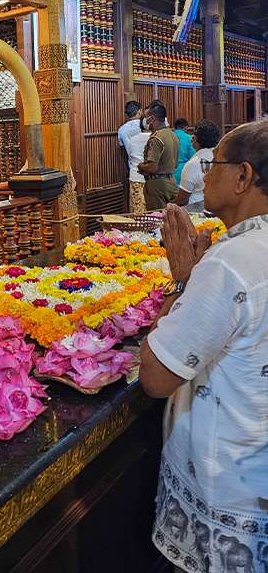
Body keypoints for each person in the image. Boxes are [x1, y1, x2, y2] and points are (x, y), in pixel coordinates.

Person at [139, 119, 268, 573]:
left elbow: (157, 376)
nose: (204, 173)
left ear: (243, 176)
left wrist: (182, 280)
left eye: (214, 164)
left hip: (230, 483)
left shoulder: (232, 261)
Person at [138, 103, 180, 210]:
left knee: (158, 220)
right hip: (171, 182)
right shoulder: (173, 135)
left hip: (157, 186)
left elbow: (152, 168)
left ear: (152, 118)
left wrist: (141, 166)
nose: (145, 120)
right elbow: (175, 164)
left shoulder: (156, 138)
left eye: (146, 117)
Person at [174, 119, 221, 212]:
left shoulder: (193, 164)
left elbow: (182, 200)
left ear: (194, 139)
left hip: (197, 212)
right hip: (220, 209)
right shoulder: (223, 158)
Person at [123, 119, 151, 214]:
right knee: (151, 211)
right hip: (150, 177)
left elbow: (130, 154)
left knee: (136, 210)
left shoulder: (133, 139)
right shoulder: (154, 138)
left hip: (135, 176)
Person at [173, 117, 196, 184]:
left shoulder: (169, 136)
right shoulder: (189, 138)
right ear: (186, 127)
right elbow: (193, 156)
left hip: (169, 171)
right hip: (184, 169)